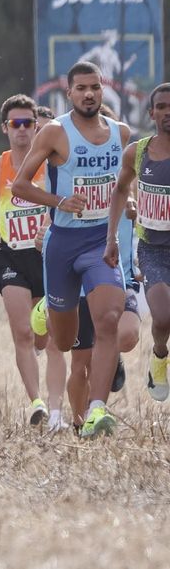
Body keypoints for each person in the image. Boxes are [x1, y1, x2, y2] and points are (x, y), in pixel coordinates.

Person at [12, 62, 130, 438]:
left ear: (103, 89)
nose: (90, 94)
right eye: (81, 88)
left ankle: (96, 410)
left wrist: (123, 214)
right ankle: (50, 305)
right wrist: (59, 200)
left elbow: (125, 185)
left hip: (100, 242)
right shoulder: (54, 132)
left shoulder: (121, 133)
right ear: (70, 93)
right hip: (63, 245)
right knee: (63, 341)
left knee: (109, 320)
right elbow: (19, 186)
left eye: (95, 87)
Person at [0, 94, 53, 427]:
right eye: (15, 124)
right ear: (5, 128)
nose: (22, 130)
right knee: (22, 333)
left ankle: (42, 358)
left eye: (28, 123)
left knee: (42, 335)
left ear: (36, 126)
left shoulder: (53, 163)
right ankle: (36, 402)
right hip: (11, 256)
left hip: (46, 256)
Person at [115, 82, 170, 402]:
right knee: (163, 317)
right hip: (152, 249)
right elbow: (120, 190)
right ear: (151, 113)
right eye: (161, 107)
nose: (167, 113)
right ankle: (160, 357)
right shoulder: (138, 152)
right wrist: (111, 237)